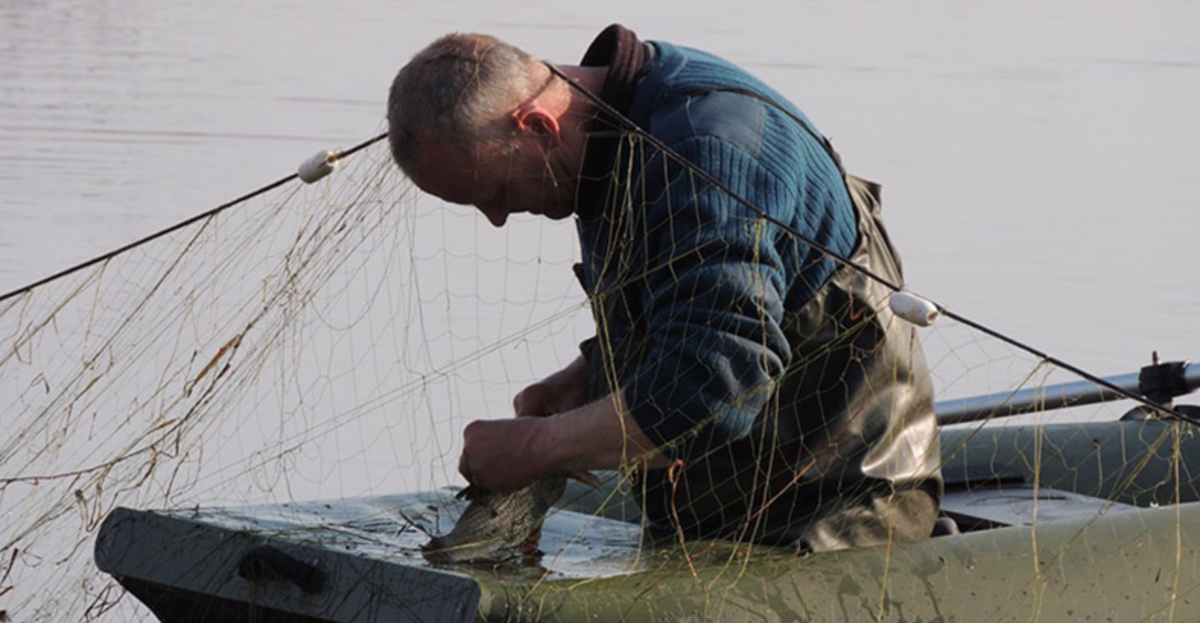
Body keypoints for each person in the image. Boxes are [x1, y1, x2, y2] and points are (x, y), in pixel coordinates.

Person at [387, 24, 942, 551]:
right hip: (719, 503)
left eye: (498, 190)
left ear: (538, 125)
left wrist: (534, 449)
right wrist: (589, 377)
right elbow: (691, 306)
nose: (497, 217)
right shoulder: (609, 128)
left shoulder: (706, 153)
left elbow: (718, 387)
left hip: (837, 511)